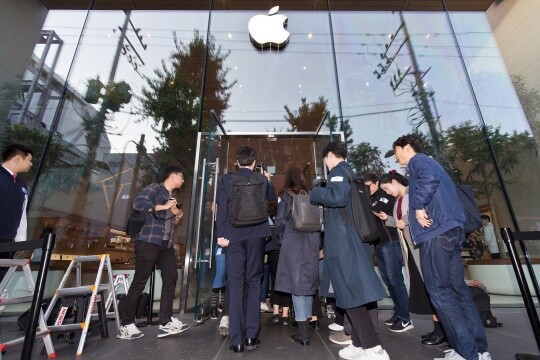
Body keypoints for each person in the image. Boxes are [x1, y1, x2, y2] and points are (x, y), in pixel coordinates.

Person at [391, 134, 490, 360]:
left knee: (439, 291)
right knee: (458, 291)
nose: (396, 157)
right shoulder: (431, 161)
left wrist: (417, 206)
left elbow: (429, 178)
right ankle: (479, 350)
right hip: (451, 231)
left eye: (396, 151)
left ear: (406, 148)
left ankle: (466, 353)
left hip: (436, 233)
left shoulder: (420, 161)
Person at [310, 141, 390, 360]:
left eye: (325, 159)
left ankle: (373, 349)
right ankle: (358, 344)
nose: (326, 163)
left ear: (330, 156)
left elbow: (336, 198)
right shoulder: (352, 174)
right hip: (354, 240)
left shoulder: (338, 172)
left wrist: (315, 192)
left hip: (344, 242)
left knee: (351, 293)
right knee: (354, 292)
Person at [215, 146, 276, 353]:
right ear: (253, 162)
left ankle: (237, 340)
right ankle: (251, 336)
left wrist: (220, 235)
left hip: (233, 236)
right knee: (254, 282)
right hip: (257, 234)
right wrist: (267, 179)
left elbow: (221, 207)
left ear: (237, 162)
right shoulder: (261, 179)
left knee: (236, 283)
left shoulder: (226, 179)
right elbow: (271, 197)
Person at [118, 165, 189, 340]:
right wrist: (162, 206)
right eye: (181, 176)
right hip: (148, 241)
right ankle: (126, 324)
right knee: (140, 280)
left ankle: (165, 322)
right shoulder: (154, 188)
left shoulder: (173, 197)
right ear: (172, 175)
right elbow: (138, 203)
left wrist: (178, 214)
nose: (183, 180)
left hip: (166, 244)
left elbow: (175, 223)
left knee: (171, 277)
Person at [378, 171, 443, 346]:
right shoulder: (399, 200)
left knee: (433, 288)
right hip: (409, 251)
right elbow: (399, 222)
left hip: (420, 249)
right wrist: (389, 219)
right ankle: (438, 328)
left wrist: (404, 220)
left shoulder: (412, 193)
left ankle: (442, 330)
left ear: (394, 181)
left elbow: (422, 211)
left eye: (386, 187)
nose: (386, 192)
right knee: (426, 289)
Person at [274, 166, 320, 346]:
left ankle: (303, 334)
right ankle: (306, 324)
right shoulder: (312, 194)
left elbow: (280, 221)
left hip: (294, 241)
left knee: (297, 284)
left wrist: (283, 238)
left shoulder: (285, 196)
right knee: (307, 281)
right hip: (312, 239)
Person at [364, 173, 412, 333]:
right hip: (379, 243)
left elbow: (393, 214)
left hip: (391, 242)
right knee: (388, 280)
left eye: (369, 185)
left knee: (395, 279)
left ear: (377, 183)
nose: (367, 188)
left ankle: (406, 318)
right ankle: (399, 313)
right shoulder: (369, 199)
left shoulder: (387, 195)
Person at [0, 143, 33, 282]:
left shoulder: (22, 185)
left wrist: (20, 242)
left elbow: (22, 215)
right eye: (29, 160)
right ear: (18, 159)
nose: (31, 164)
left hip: (8, 242)